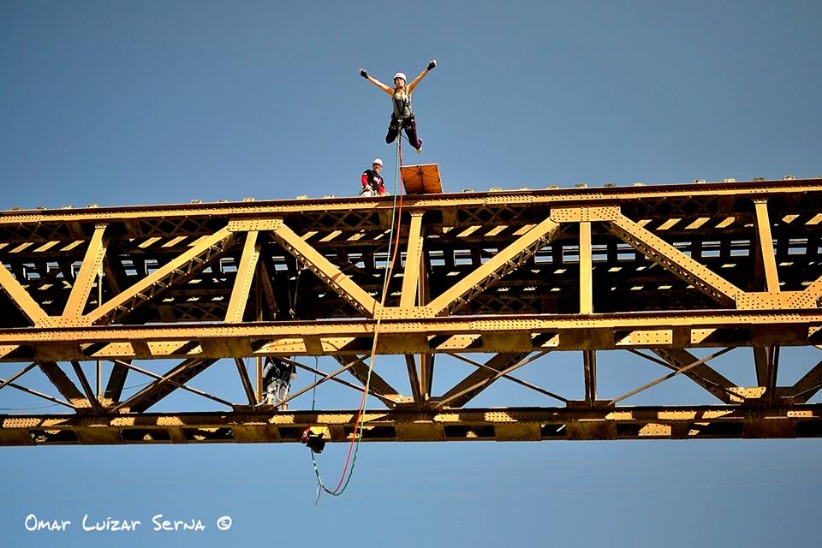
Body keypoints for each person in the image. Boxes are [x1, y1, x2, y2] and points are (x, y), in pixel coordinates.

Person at [359, 59, 437, 154]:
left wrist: (429, 67)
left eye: (400, 80)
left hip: (408, 119)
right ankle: (396, 132)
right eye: (397, 80)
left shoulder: (408, 89)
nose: (398, 81)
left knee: (414, 143)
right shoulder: (392, 92)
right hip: (396, 119)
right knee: (388, 140)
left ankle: (419, 143)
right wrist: (366, 76)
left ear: (404, 81)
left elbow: (419, 78)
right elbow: (379, 84)